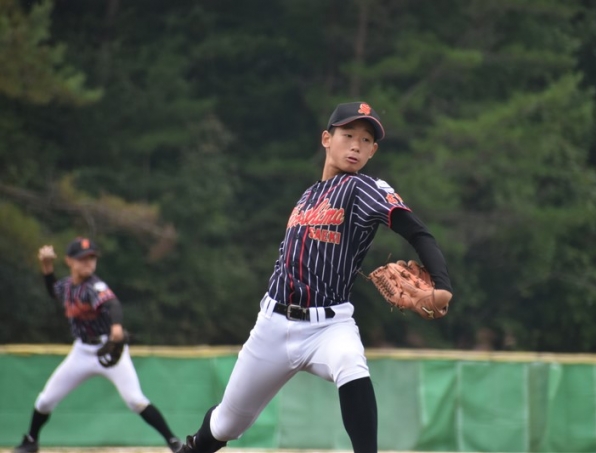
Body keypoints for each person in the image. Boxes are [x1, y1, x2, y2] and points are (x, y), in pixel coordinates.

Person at [177, 101, 454, 453]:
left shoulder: (365, 188)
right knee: (226, 424)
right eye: (348, 135)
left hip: (329, 325)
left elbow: (417, 232)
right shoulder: (307, 196)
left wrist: (443, 285)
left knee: (351, 364)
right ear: (327, 139)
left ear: (373, 151)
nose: (356, 145)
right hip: (273, 324)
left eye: (366, 140)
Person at [13, 237, 183, 453]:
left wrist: (116, 327)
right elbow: (53, 291)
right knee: (46, 400)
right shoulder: (67, 286)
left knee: (135, 400)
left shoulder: (94, 286)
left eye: (92, 258)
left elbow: (112, 304)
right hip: (81, 352)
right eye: (82, 258)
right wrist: (47, 267)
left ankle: (173, 442)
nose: (88, 263)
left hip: (108, 349)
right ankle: (31, 441)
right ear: (69, 261)